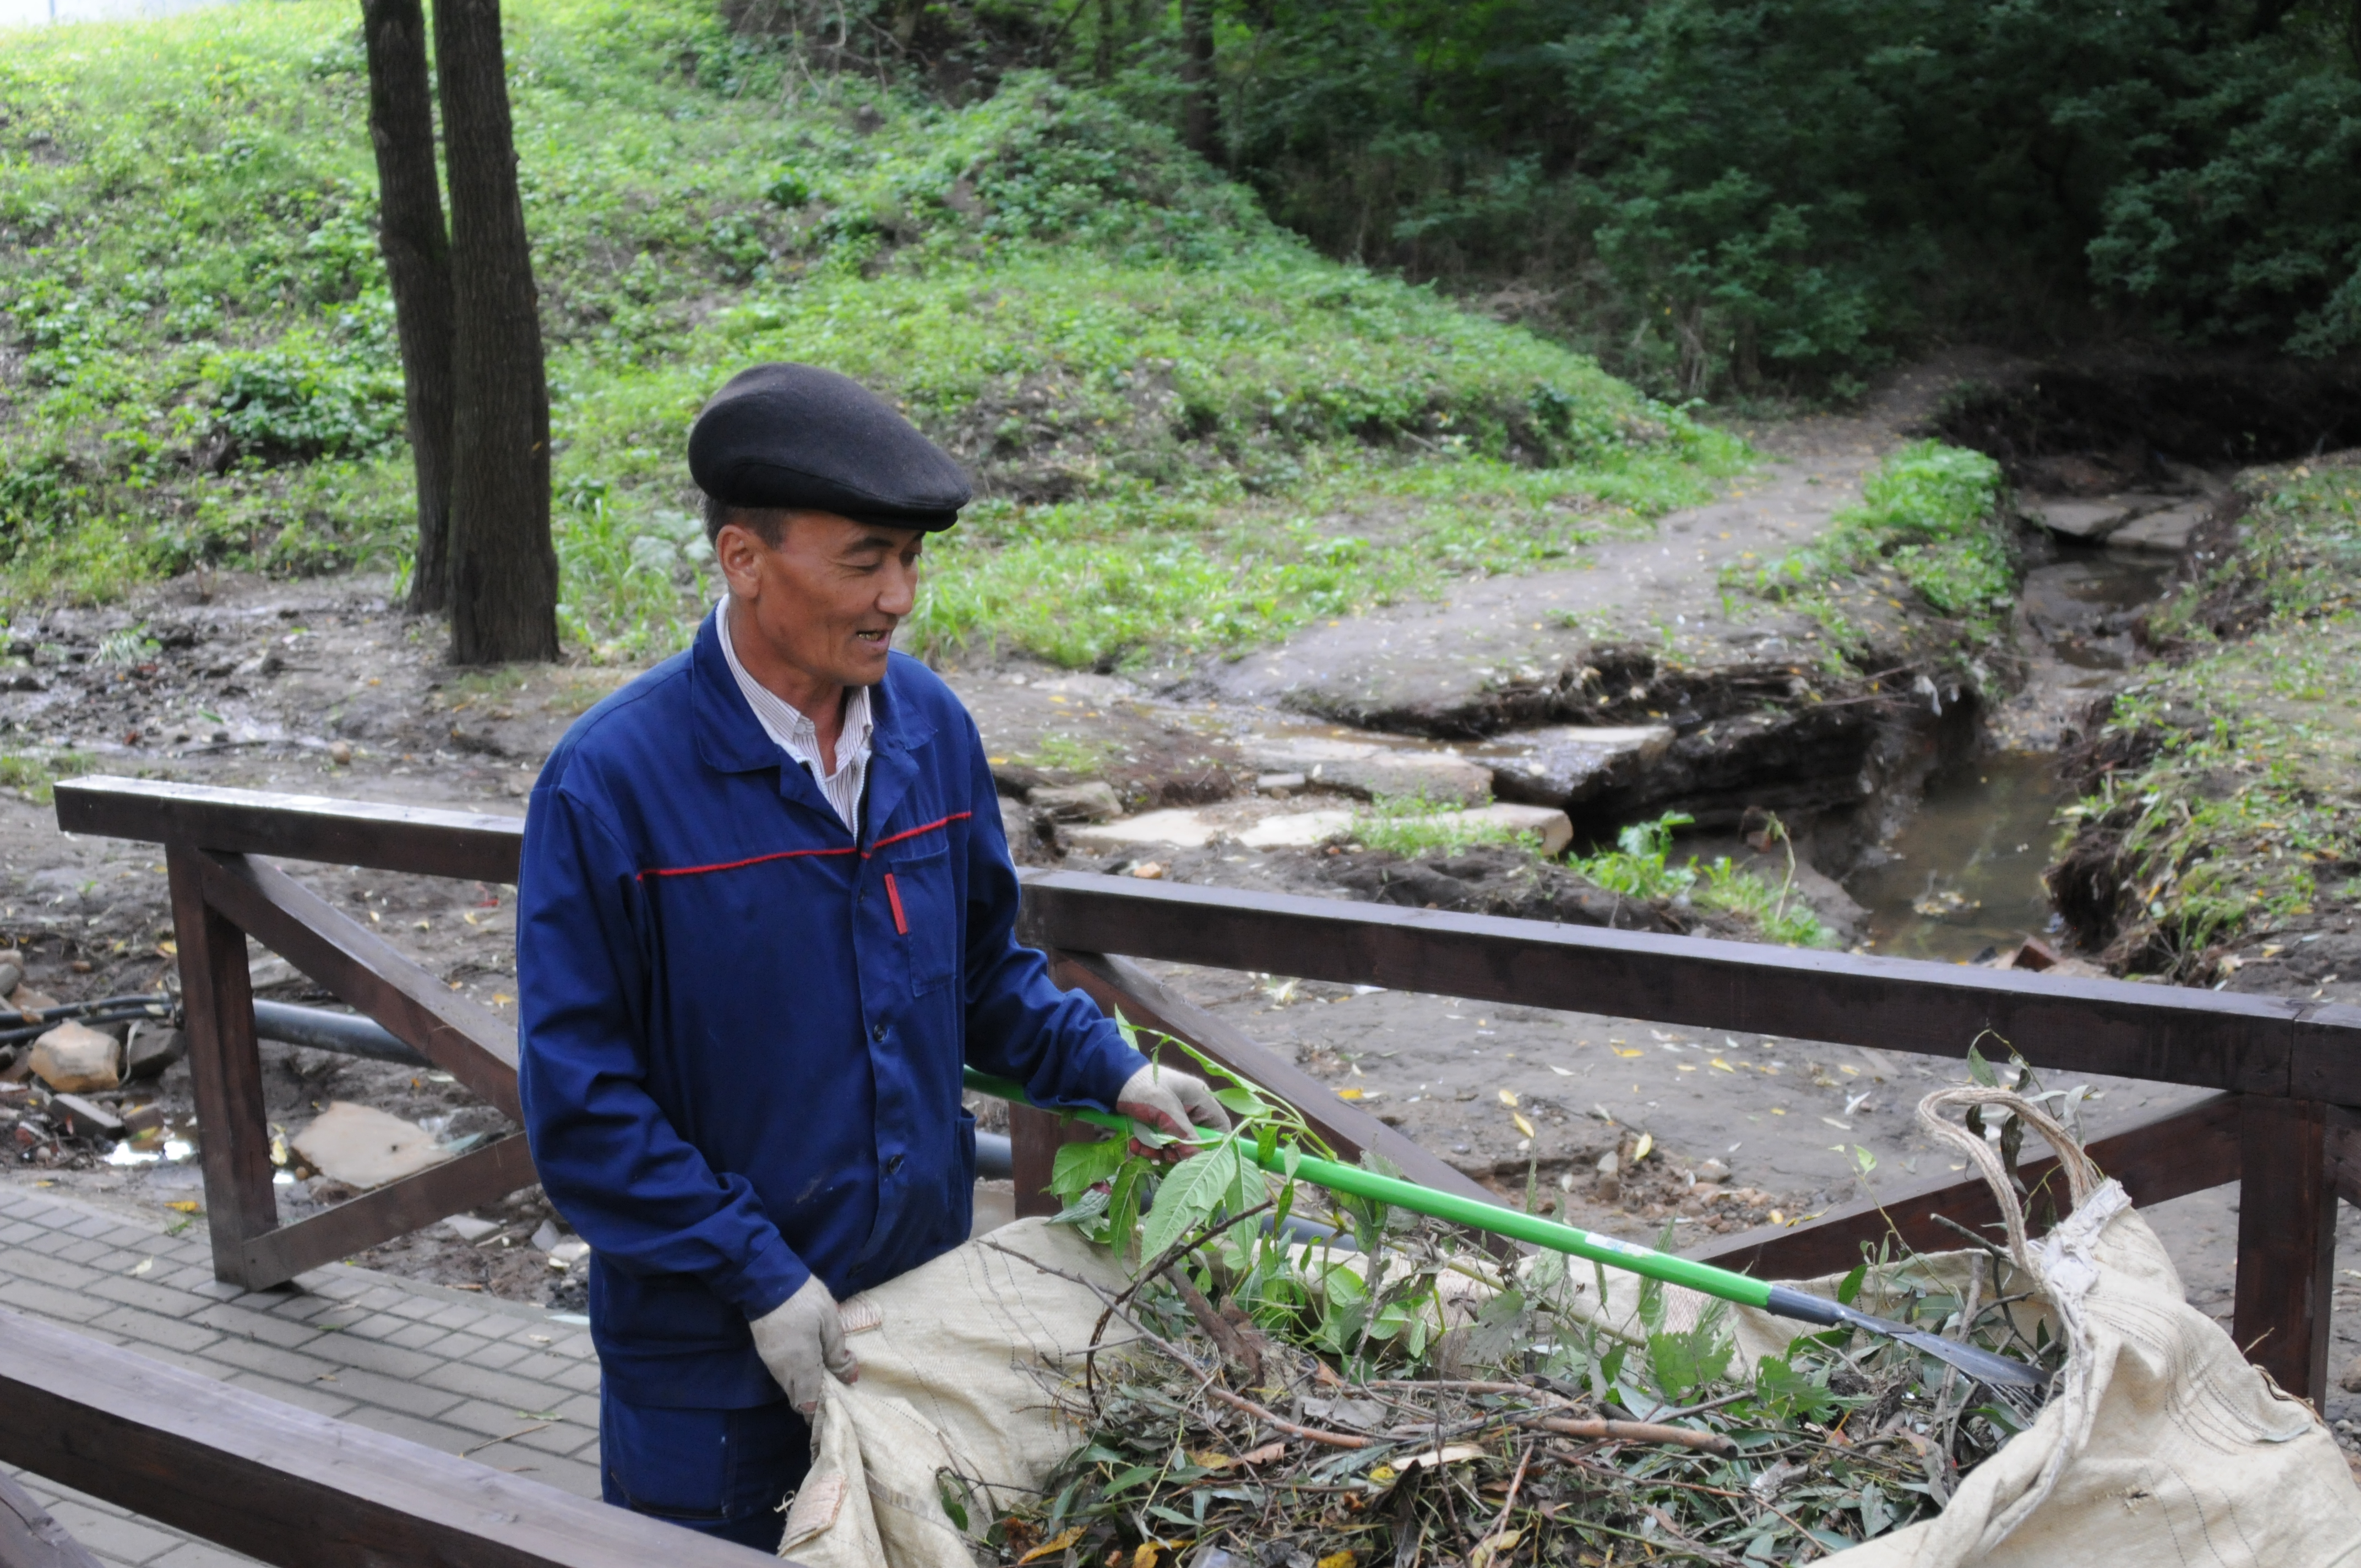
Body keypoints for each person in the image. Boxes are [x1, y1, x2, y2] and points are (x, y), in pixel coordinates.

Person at [515, 363, 1231, 1548]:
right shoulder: (611, 785)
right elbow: (585, 1107)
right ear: (744, 559)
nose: (899, 596)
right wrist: (757, 1271)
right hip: (711, 1366)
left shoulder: (929, 732)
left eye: (910, 558)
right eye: (865, 559)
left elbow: (981, 977)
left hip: (914, 1332)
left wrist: (1112, 1070)